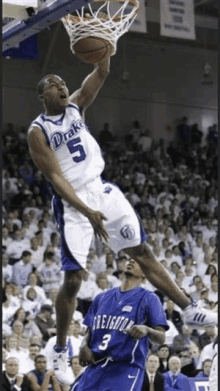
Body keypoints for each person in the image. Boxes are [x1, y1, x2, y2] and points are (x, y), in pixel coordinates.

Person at [27, 55, 217, 385]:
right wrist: (87, 212)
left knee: (143, 252)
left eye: (61, 82)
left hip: (102, 190)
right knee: (73, 280)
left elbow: (102, 72)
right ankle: (59, 348)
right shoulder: (37, 131)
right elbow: (56, 178)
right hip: (73, 204)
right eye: (52, 84)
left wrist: (107, 47)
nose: (60, 85)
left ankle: (189, 307)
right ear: (42, 96)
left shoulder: (75, 106)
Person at [69, 259, 169, 391]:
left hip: (125, 368)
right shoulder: (101, 297)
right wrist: (84, 344)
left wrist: (147, 330)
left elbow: (161, 338)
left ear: (145, 273)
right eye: (130, 259)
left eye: (138, 261)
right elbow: (90, 328)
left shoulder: (150, 298)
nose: (132, 261)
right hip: (96, 365)